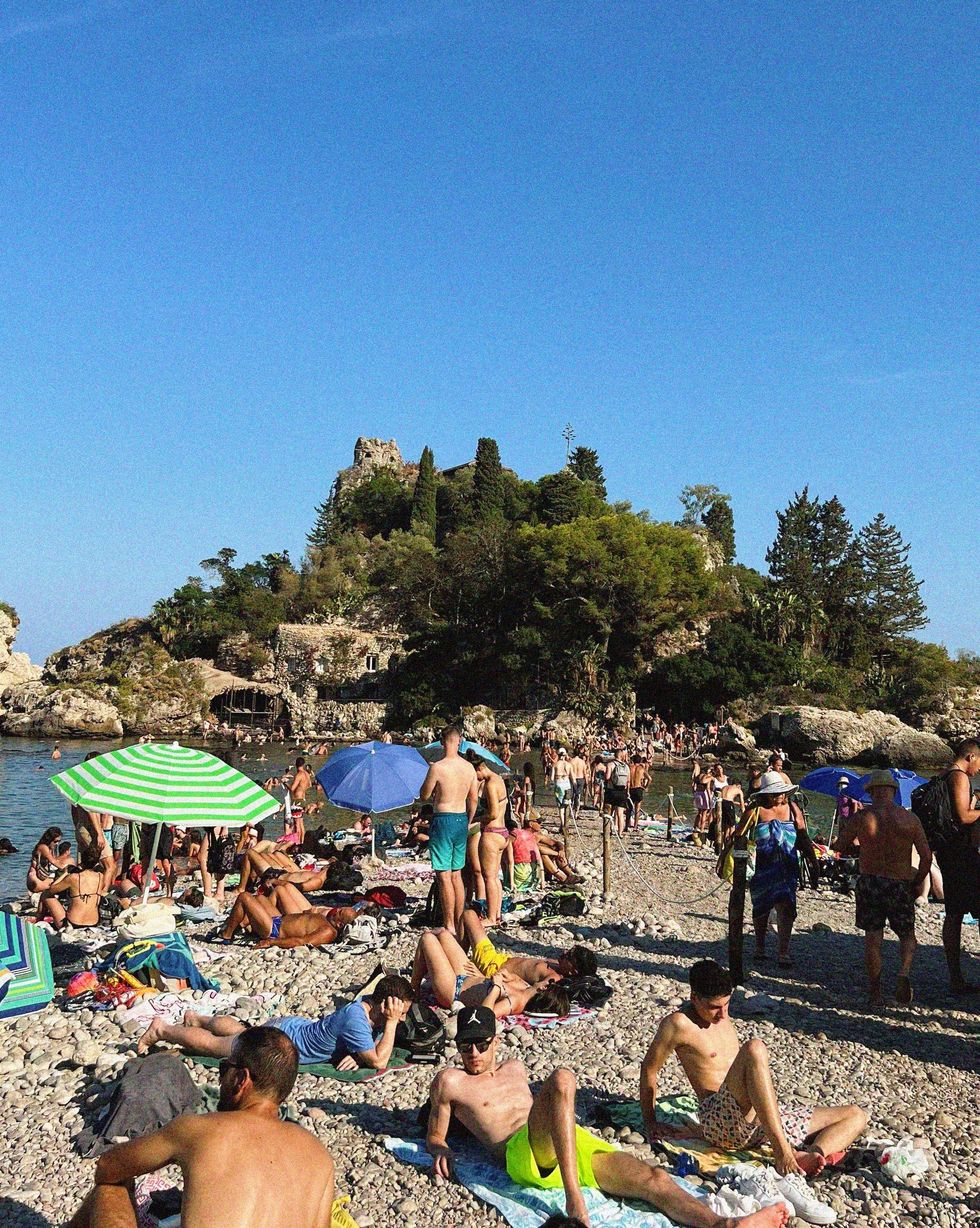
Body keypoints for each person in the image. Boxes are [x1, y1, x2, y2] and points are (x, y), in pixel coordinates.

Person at [427, 1005, 788, 1228]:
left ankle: (721, 1225)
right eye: (465, 1045)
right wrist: (439, 1147)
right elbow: (435, 1135)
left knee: (653, 1178)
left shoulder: (515, 1067)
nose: (473, 1053)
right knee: (563, 1079)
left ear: (496, 1040)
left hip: (567, 1141)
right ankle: (575, 1201)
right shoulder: (451, 1081)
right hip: (522, 1154)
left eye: (481, 1043)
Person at [71, 1026, 334, 1228]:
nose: (220, 1081)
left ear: (241, 1079)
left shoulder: (199, 1129)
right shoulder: (320, 1156)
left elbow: (107, 1167)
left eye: (223, 1069)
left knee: (112, 1187)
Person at [641, 961, 867, 1181]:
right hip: (721, 1120)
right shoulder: (679, 1024)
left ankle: (812, 1153)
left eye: (726, 1005)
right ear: (694, 998)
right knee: (754, 1047)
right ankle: (783, 1153)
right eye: (714, 1008)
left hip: (757, 1121)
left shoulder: (722, 1016)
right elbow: (649, 1069)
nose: (722, 1014)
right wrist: (651, 1122)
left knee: (856, 1115)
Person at [138, 977, 414, 1071]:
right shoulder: (359, 1018)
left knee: (244, 1032)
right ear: (386, 1005)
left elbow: (368, 1044)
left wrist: (356, 1053)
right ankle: (163, 1029)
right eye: (400, 1012)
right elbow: (379, 1061)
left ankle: (199, 1019)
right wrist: (389, 1025)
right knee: (219, 1047)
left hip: (289, 1028)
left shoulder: (365, 1004)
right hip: (279, 1043)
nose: (401, 1018)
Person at [834, 769, 931, 1006]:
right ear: (893, 792)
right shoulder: (910, 819)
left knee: (873, 937)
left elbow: (839, 847)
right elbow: (926, 856)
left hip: (870, 881)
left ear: (873, 792)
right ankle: (904, 971)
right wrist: (918, 880)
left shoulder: (862, 817)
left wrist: (861, 848)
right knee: (907, 935)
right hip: (900, 881)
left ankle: (876, 993)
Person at [411, 929, 568, 1019]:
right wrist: (504, 977)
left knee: (427, 938)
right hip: (468, 977)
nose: (548, 981)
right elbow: (509, 977)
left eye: (550, 984)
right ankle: (427, 969)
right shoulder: (526, 987)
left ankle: (414, 989)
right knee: (444, 934)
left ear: (543, 991)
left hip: (453, 990)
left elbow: (486, 1014)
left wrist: (496, 988)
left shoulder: (515, 1001)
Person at [929, 739, 980, 994]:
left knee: (954, 913)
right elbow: (962, 816)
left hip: (947, 851)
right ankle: (957, 978)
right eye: (979, 762)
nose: (979, 769)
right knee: (961, 913)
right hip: (960, 853)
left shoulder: (943, 775)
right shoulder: (959, 777)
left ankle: (955, 975)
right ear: (970, 757)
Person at [419, 726, 479, 934]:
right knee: (456, 875)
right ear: (460, 742)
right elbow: (473, 798)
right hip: (461, 819)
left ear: (442, 742)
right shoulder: (469, 768)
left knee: (444, 876)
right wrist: (468, 820)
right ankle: (460, 920)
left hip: (443, 818)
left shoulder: (438, 767)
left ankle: (449, 924)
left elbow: (424, 795)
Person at [747, 772, 811, 968]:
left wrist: (813, 862)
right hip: (763, 867)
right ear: (766, 794)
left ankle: (783, 951)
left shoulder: (793, 809)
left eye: (781, 793)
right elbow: (739, 835)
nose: (778, 797)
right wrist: (726, 859)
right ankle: (760, 947)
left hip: (787, 867)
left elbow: (803, 836)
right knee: (761, 908)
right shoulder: (756, 810)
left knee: (786, 908)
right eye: (774, 794)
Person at [461, 909, 597, 984]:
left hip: (492, 967)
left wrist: (483, 978)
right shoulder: (558, 965)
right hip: (500, 959)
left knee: (469, 915)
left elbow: (527, 992)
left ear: (573, 971)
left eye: (569, 956)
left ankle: (461, 953)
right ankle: (462, 953)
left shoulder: (553, 979)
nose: (565, 951)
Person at [37, 843, 114, 929]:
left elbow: (51, 889)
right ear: (96, 862)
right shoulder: (100, 876)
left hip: (73, 924)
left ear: (82, 861)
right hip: (93, 923)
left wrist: (66, 873)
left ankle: (38, 920)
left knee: (45, 894)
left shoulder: (74, 877)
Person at [476, 759, 513, 926]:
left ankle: (491, 917)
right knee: (495, 877)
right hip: (503, 833)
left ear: (479, 768)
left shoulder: (490, 784)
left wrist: (475, 819)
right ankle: (496, 914)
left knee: (489, 877)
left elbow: (492, 813)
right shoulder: (499, 779)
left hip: (491, 832)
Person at [27, 826, 73, 893]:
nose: (57, 843)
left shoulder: (51, 848)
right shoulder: (43, 847)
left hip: (42, 878)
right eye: (55, 841)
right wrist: (70, 869)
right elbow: (54, 862)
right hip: (36, 881)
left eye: (59, 841)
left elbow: (56, 861)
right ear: (49, 839)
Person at [605, 749, 630, 838]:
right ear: (621, 756)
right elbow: (628, 781)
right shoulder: (626, 766)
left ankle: (609, 830)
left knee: (609, 812)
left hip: (611, 790)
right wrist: (627, 792)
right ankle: (620, 833)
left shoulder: (610, 764)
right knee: (620, 813)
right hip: (622, 791)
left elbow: (607, 777)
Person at [628, 755, 650, 830]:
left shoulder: (630, 767)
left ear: (633, 760)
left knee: (629, 808)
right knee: (637, 809)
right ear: (640, 761)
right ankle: (635, 826)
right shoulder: (642, 769)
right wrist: (645, 787)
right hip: (639, 789)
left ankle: (627, 825)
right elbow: (650, 779)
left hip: (631, 788)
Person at [554, 748, 573, 824]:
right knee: (567, 803)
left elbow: (552, 777)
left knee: (560, 805)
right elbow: (573, 777)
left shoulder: (555, 764)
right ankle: (566, 823)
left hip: (559, 783)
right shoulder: (569, 765)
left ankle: (562, 824)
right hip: (567, 783)